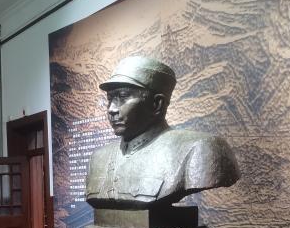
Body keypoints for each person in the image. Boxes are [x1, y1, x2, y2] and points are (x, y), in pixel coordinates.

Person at [86, 56, 240, 209]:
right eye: (110, 98)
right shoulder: (99, 158)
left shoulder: (200, 149)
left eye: (123, 97)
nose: (112, 109)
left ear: (156, 104)